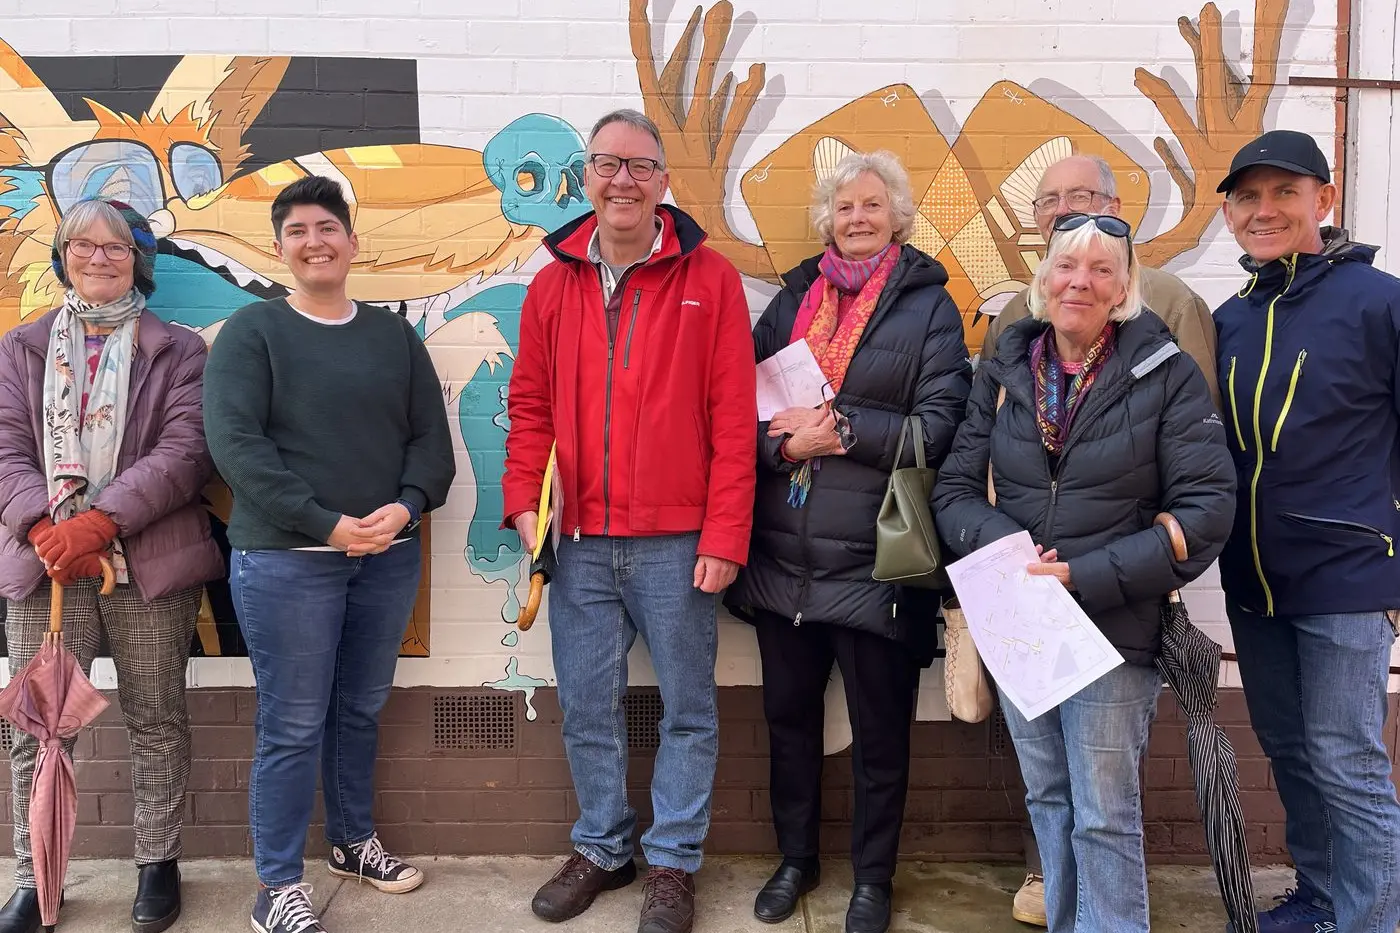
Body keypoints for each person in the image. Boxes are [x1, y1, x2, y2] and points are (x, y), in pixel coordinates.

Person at [933, 212, 1235, 933]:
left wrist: (1085, 573)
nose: (1082, 282)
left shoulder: (1165, 373)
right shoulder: (1005, 368)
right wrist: (1010, 547)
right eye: (1067, 266)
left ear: (1125, 287)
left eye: (1102, 269)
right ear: (1044, 280)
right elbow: (954, 492)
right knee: (1049, 800)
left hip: (1112, 626)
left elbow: (1206, 510)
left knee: (1103, 813)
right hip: (1022, 622)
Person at [502, 108, 756, 933]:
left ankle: (673, 860)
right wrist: (524, 503)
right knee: (587, 705)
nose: (623, 180)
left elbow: (733, 417)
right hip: (576, 540)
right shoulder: (552, 284)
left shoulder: (710, 280)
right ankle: (604, 847)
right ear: (586, 177)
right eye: (608, 164)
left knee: (688, 708)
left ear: (662, 183)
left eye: (640, 166)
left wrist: (725, 533)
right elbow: (530, 406)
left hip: (678, 542)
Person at [723, 150, 971, 933]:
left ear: (897, 217)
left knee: (880, 737)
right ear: (827, 219)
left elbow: (942, 428)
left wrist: (847, 430)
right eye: (844, 206)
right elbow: (739, 414)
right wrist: (786, 447)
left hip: (876, 564)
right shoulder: (791, 300)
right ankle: (795, 859)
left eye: (871, 205)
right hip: (783, 561)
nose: (857, 218)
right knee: (789, 724)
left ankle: (872, 878)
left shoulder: (930, 308)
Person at [202, 176, 455, 933]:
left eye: (327, 227)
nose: (315, 241)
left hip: (387, 556)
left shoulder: (392, 336)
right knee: (292, 723)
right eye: (298, 231)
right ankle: (277, 887)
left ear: (351, 239)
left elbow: (430, 440)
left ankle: (352, 843)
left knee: (359, 709)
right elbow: (237, 449)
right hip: (288, 562)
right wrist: (325, 523)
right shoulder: (253, 332)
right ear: (279, 247)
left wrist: (407, 505)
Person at [0, 197, 222, 933]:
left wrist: (99, 523)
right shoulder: (20, 348)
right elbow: (4, 446)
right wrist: (47, 528)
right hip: (46, 569)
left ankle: (158, 862)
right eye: (82, 245)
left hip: (148, 565)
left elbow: (186, 451)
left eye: (116, 247)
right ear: (62, 256)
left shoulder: (180, 351)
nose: (99, 258)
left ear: (140, 261)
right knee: (39, 725)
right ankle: (36, 875)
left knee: (156, 717)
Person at [1213, 129, 1400, 933]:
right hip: (1255, 579)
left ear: (1323, 200)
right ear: (1229, 213)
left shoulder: (1380, 303)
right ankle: (1322, 898)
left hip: (1349, 574)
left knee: (1348, 761)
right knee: (1290, 749)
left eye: (1284, 193)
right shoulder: (1229, 318)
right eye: (1248, 197)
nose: (1264, 210)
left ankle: (1370, 920)